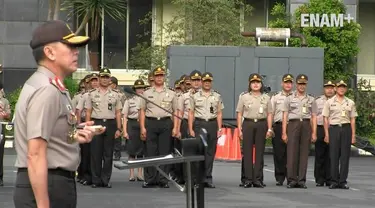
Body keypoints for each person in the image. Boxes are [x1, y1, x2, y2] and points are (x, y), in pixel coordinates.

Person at [13, 20, 105, 208]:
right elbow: (35, 153)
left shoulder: (51, 86)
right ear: (49, 52)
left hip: (51, 182)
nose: (76, 51)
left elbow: (48, 136)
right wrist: (43, 204)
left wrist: (74, 132)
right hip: (47, 184)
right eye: (70, 46)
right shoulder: (46, 90)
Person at [139, 67, 179, 188]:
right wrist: (142, 127)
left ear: (164, 77)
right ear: (153, 77)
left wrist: (176, 127)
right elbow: (142, 111)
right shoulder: (146, 93)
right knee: (150, 152)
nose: (159, 78)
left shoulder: (172, 93)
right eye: (157, 76)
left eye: (161, 75)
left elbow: (176, 111)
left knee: (165, 152)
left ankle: (163, 179)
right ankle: (150, 179)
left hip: (166, 123)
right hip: (150, 123)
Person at [85, 67, 123, 188]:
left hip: (110, 123)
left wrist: (119, 128)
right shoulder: (91, 94)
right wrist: (88, 127)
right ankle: (96, 180)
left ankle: (105, 180)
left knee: (108, 154)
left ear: (110, 79)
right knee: (95, 153)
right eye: (103, 77)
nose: (105, 79)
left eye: (107, 77)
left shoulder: (115, 94)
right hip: (96, 123)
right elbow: (88, 112)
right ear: (99, 78)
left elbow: (118, 113)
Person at [236, 73, 273, 188]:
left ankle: (257, 179)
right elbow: (239, 113)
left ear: (261, 84)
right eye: (253, 82)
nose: (256, 84)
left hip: (261, 124)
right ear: (250, 84)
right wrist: (239, 129)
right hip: (248, 123)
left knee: (259, 153)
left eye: (258, 82)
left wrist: (270, 128)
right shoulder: (244, 97)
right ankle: (247, 179)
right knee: (247, 152)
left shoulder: (266, 98)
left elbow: (270, 114)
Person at [282, 74, 317, 189]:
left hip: (306, 124)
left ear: (306, 85)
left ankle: (301, 180)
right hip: (293, 124)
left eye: (304, 84)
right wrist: (284, 132)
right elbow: (285, 115)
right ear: (296, 84)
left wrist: (314, 132)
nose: (302, 86)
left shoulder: (311, 99)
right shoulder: (289, 98)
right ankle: (292, 180)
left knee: (304, 153)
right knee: (292, 152)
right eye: (300, 84)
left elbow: (314, 116)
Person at [188, 72, 223, 188]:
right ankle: (197, 179)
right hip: (199, 124)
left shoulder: (217, 96)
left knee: (210, 152)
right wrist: (191, 128)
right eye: (205, 81)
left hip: (212, 124)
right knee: (199, 151)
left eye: (209, 81)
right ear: (202, 82)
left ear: (211, 82)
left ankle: (208, 178)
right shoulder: (195, 95)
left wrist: (219, 128)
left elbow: (219, 113)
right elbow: (191, 113)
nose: (207, 83)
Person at [323, 80, 357, 189]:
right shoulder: (329, 102)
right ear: (335, 89)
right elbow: (325, 118)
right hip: (334, 128)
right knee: (333, 155)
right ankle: (334, 180)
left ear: (346, 89)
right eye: (339, 87)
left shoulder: (350, 102)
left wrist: (353, 135)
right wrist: (327, 134)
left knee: (345, 156)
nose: (341, 89)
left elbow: (352, 119)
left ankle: (342, 181)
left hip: (346, 128)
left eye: (343, 87)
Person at [269, 74, 294, 186]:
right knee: (279, 153)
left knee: (292, 153)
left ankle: (291, 177)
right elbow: (271, 113)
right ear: (282, 84)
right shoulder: (276, 97)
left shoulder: (296, 97)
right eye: (286, 82)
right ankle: (279, 177)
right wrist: (269, 128)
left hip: (292, 126)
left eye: (290, 83)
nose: (288, 85)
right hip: (278, 126)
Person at [75, 73, 99, 186]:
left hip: (98, 123)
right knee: (86, 153)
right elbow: (78, 111)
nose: (94, 83)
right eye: (92, 81)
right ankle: (85, 175)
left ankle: (95, 175)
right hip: (86, 123)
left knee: (97, 153)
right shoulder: (85, 95)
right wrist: (79, 125)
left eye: (96, 81)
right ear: (87, 83)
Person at [122, 79, 147, 181]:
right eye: (138, 88)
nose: (140, 90)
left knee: (141, 151)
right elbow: (125, 117)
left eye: (141, 88)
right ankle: (131, 174)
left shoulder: (147, 100)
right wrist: (125, 131)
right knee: (132, 151)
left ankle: (140, 174)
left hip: (142, 125)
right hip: (132, 125)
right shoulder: (129, 100)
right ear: (134, 90)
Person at [314, 80, 335, 187]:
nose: (329, 90)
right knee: (320, 154)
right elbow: (312, 116)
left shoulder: (338, 100)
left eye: (331, 88)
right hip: (320, 128)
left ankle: (330, 178)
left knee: (331, 155)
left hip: (333, 129)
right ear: (324, 89)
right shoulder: (317, 101)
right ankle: (319, 178)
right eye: (327, 88)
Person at [110, 76, 126, 161]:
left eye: (111, 84)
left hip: (117, 117)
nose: (109, 85)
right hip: (109, 117)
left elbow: (123, 106)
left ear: (115, 85)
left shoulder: (120, 95)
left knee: (117, 137)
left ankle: (117, 153)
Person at [0, 82, 11, 187]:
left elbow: (8, 115)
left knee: (0, 154)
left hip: (1, 128)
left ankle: (0, 177)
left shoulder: (5, 101)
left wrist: (4, 113)